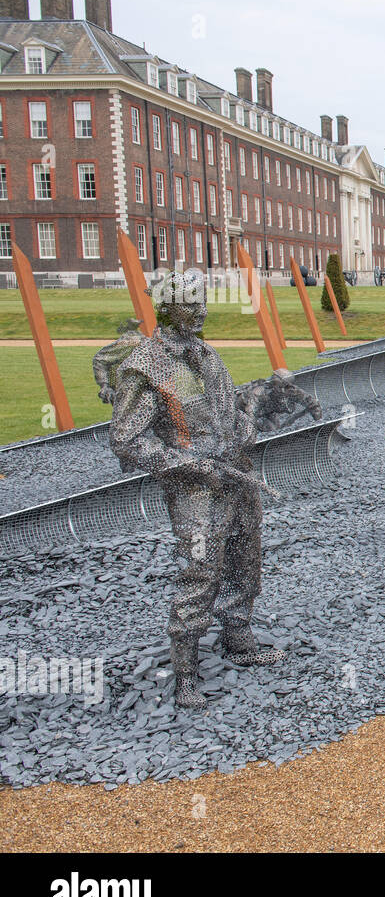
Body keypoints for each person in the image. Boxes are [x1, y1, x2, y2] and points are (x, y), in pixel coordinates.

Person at [109, 269, 284, 709]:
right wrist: (191, 465)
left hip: (236, 476)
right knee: (201, 570)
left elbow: (229, 410)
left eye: (203, 301)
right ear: (167, 309)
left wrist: (244, 429)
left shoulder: (207, 354)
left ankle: (238, 637)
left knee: (247, 557)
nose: (202, 310)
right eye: (191, 304)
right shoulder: (145, 366)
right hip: (196, 490)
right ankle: (185, 674)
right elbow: (128, 440)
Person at [91, 317, 146, 405]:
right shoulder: (138, 340)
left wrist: (104, 385)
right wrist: (105, 385)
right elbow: (100, 359)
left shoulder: (130, 341)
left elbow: (99, 359)